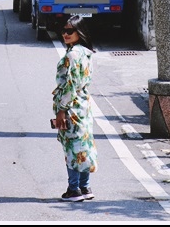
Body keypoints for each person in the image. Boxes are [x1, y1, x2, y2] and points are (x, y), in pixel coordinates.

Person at [52, 15, 97, 202]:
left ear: (80, 32)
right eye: (64, 30)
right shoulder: (86, 53)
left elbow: (70, 85)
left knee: (71, 148)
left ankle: (73, 190)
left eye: (70, 31)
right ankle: (85, 187)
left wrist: (62, 109)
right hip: (84, 106)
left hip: (71, 107)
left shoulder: (72, 55)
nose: (65, 34)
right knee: (83, 146)